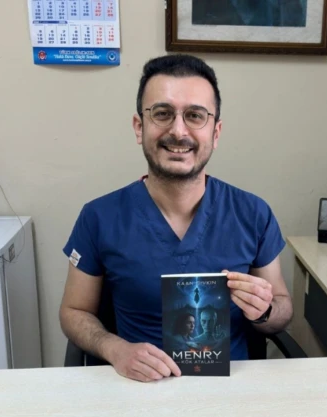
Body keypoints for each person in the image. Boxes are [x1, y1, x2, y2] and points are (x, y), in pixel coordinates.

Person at [59, 53, 293, 383]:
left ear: (216, 132)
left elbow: (282, 309)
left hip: (233, 391)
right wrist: (115, 349)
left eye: (195, 116)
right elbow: (73, 311)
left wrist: (265, 311)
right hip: (139, 390)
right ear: (139, 127)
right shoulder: (99, 217)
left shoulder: (253, 214)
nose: (178, 131)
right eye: (162, 114)